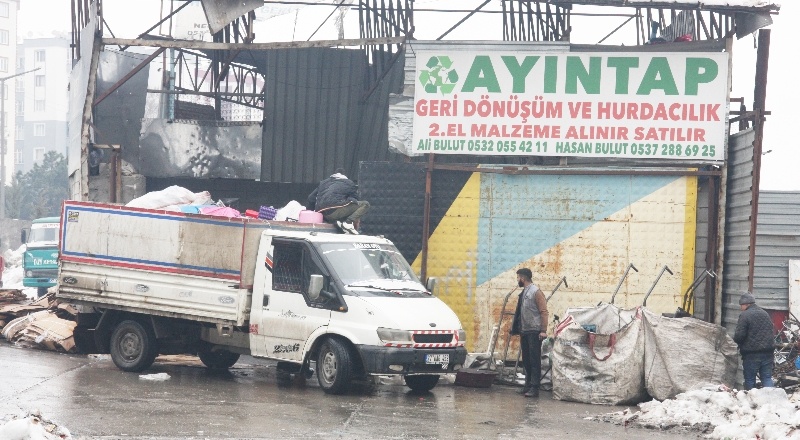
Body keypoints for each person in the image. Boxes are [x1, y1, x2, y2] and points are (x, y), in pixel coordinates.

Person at [510, 268, 549, 398]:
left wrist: (543, 330)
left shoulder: (536, 292)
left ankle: (534, 388)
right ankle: (527, 385)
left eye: (518, 278)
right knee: (526, 360)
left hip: (534, 331)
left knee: (534, 360)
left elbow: (544, 311)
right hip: (525, 330)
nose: (517, 280)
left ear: (523, 278)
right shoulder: (524, 292)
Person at [733, 292, 775, 390]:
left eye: (741, 305)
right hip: (768, 352)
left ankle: (751, 402)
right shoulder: (765, 313)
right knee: (767, 378)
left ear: (746, 304)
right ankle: (771, 401)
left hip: (751, 354)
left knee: (750, 380)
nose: (740, 308)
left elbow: (739, 335)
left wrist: (736, 342)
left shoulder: (745, 315)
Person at [307, 168, 370, 234]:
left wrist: (311, 214)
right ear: (344, 175)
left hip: (322, 214)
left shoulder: (323, 183)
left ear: (334, 174)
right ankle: (348, 223)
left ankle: (340, 223)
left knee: (342, 206)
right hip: (335, 211)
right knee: (365, 204)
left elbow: (311, 198)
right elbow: (356, 200)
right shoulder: (349, 183)